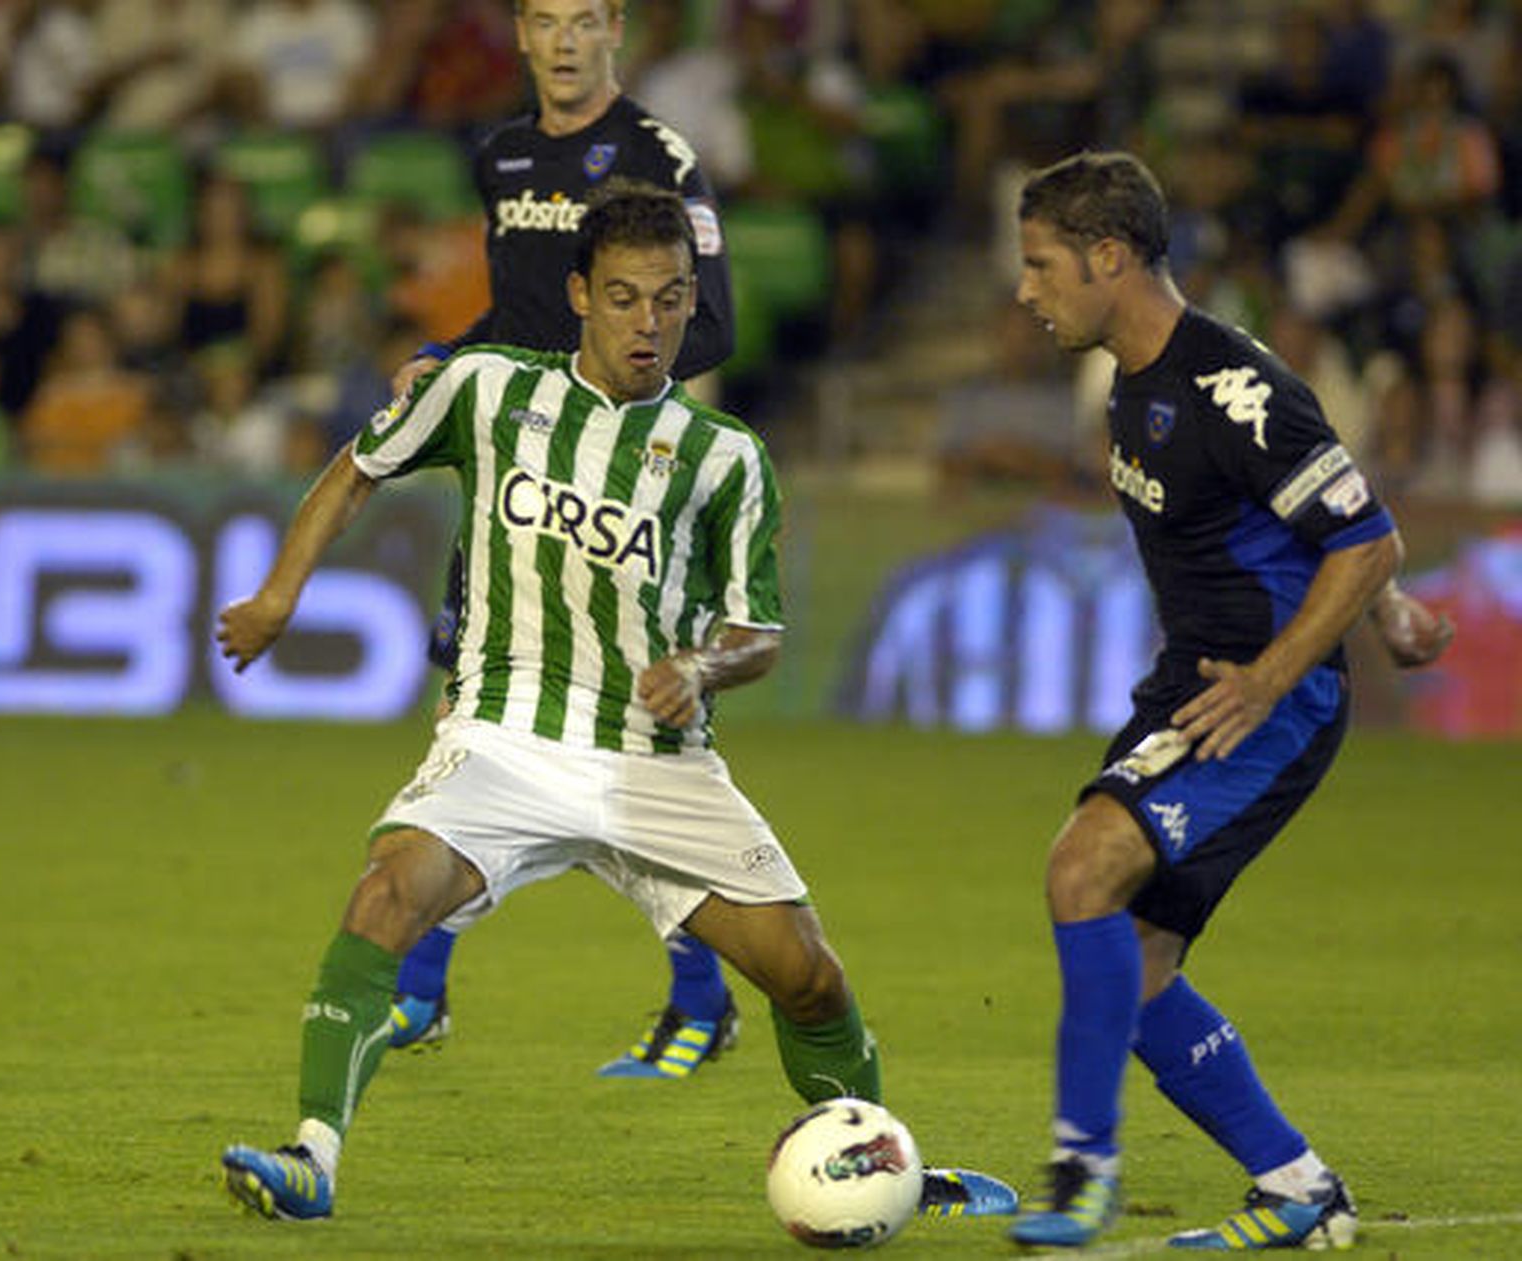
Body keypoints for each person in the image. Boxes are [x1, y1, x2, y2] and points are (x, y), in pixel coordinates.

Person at [216, 181, 1016, 1223]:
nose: (652, 324)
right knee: (386, 894)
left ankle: (886, 1165)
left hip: (654, 765)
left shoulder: (727, 459)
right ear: (581, 295)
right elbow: (357, 468)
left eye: (673, 300)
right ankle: (312, 1155)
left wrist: (701, 670)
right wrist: (280, 595)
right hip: (503, 737)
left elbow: (757, 632)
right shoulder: (487, 388)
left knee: (808, 977)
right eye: (628, 298)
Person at [1005, 151, 1453, 1251]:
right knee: (1142, 966)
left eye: (1040, 264)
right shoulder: (1134, 377)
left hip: (1263, 700)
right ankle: (1298, 1189)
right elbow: (1323, 521)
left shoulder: (1230, 387)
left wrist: (1273, 673)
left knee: (1082, 864)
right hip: (1199, 682)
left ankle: (1081, 1166)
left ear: (1108, 257)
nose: (1025, 290)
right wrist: (1390, 615)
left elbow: (1366, 533)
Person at [384, 0, 740, 1082]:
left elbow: (711, 324)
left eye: (588, 19)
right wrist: (448, 357)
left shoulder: (656, 155)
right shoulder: (499, 156)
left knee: (624, 759)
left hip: (616, 498)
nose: (569, 39)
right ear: (523, 37)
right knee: (474, 727)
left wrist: (592, 406)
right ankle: (418, 988)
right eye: (547, 20)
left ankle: (703, 995)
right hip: (513, 492)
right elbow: (520, 317)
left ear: (615, 32)